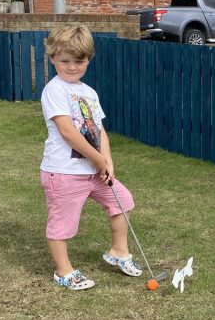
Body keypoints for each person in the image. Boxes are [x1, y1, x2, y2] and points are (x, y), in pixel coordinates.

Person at [40, 24, 142, 290]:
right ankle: (63, 271)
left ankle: (118, 252)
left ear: (88, 60)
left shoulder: (88, 92)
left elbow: (99, 129)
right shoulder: (55, 90)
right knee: (62, 224)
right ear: (53, 59)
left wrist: (106, 161)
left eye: (79, 61)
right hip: (63, 172)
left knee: (123, 201)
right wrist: (97, 159)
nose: (72, 67)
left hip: (93, 171)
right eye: (65, 61)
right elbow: (67, 131)